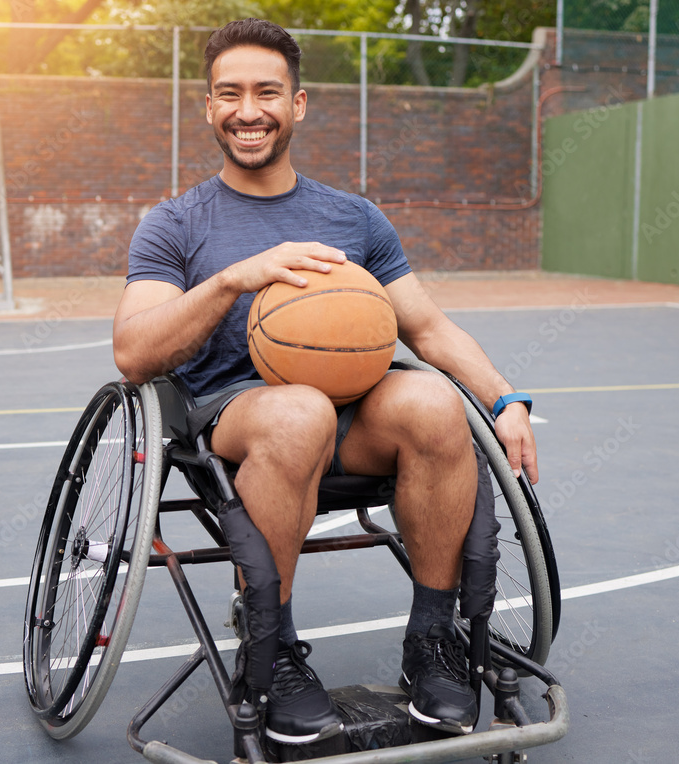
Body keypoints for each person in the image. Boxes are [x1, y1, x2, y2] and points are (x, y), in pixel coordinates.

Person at [113, 18, 538, 746]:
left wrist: (505, 399)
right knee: (298, 411)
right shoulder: (174, 224)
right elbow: (133, 353)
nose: (249, 110)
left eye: (267, 92)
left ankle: (433, 639)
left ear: (298, 103)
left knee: (437, 403)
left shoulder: (354, 217)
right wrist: (232, 279)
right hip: (243, 414)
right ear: (208, 107)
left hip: (356, 414)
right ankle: (271, 649)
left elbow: (427, 330)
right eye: (231, 94)